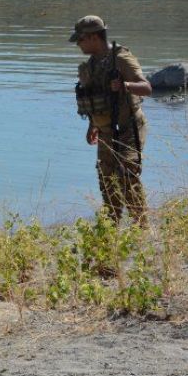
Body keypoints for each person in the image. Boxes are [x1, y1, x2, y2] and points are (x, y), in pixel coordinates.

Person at [71, 15, 152, 224]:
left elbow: (146, 87)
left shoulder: (121, 58)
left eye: (81, 39)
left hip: (128, 127)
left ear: (94, 37)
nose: (78, 44)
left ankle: (141, 227)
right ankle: (111, 227)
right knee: (107, 181)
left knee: (127, 176)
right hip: (105, 130)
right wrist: (92, 125)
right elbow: (96, 96)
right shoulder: (92, 64)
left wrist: (125, 85)